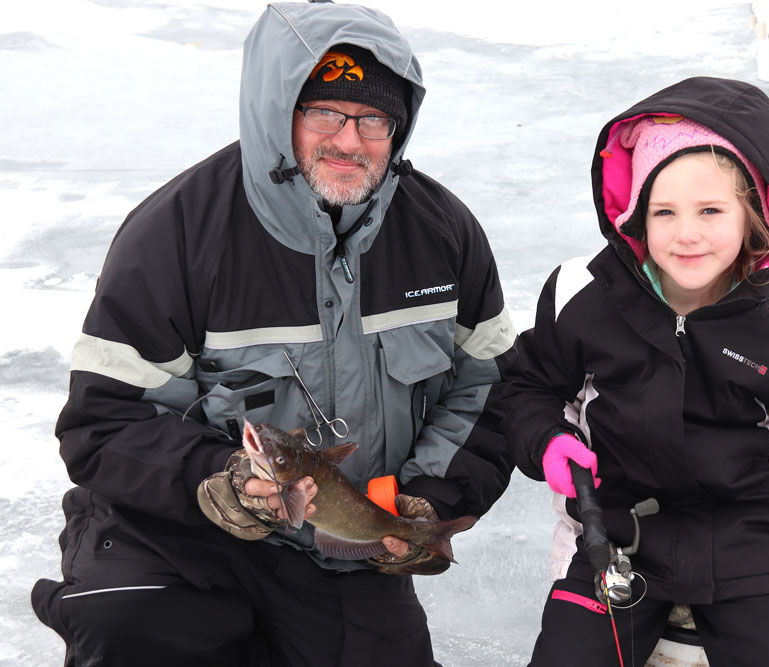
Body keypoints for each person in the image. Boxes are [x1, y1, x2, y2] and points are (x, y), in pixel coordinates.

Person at [31, 3, 517, 666]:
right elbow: (103, 424)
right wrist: (216, 479)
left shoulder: (443, 233)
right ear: (276, 112)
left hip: (340, 545)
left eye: (373, 118)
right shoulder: (176, 234)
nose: (350, 140)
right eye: (324, 112)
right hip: (180, 539)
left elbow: (492, 391)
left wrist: (432, 496)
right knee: (130, 619)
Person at [502, 76, 769, 667]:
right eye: (665, 211)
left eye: (711, 210)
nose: (687, 234)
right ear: (635, 214)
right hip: (620, 539)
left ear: (754, 212)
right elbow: (527, 386)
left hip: (757, 551)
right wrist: (547, 440)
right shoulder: (581, 295)